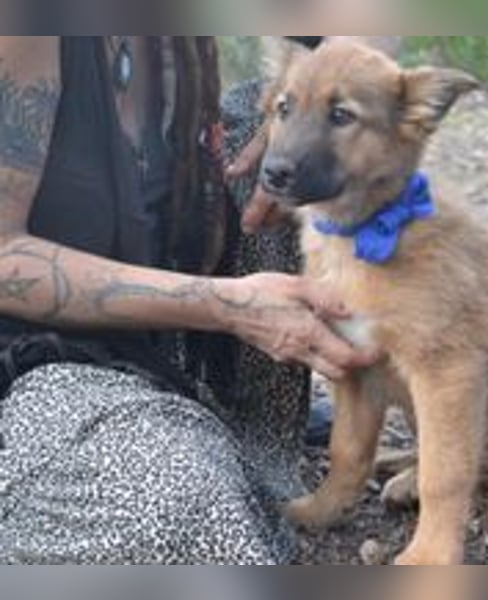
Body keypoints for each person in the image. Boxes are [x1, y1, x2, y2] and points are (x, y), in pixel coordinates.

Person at [0, 36, 375, 564]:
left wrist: (298, 122)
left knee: (275, 123)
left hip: (150, 347)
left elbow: (358, 50)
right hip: (30, 366)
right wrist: (228, 306)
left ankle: (234, 428)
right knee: (176, 505)